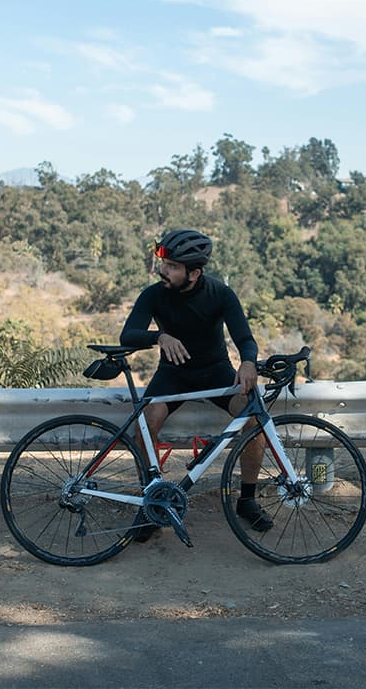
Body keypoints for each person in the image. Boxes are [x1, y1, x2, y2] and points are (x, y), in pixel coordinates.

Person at [120, 228, 272, 541]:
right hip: (172, 374)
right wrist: (159, 336)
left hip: (216, 372)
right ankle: (153, 499)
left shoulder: (220, 293)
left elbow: (244, 337)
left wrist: (247, 362)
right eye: (164, 263)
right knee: (145, 423)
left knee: (253, 417)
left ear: (194, 273)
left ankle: (247, 499)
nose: (164, 270)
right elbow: (128, 335)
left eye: (173, 266)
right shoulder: (154, 294)